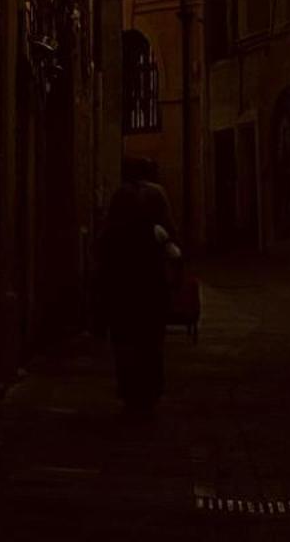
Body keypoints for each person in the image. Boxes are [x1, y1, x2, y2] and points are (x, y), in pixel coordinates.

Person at [97, 173, 171, 415]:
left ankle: (130, 391)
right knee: (149, 344)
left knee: (125, 344)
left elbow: (103, 262)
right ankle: (147, 391)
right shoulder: (156, 229)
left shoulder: (113, 232)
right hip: (149, 296)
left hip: (122, 297)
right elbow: (173, 256)